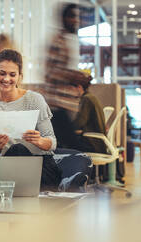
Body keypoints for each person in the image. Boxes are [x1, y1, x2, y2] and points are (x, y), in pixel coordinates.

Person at [0, 49, 91, 192]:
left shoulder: (34, 100)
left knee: (18, 150)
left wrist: (40, 141)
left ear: (20, 76)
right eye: (2, 73)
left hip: (40, 165)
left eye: (12, 75)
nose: (6, 79)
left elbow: (52, 142)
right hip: (6, 165)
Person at [43, 3, 92, 149]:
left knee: (66, 148)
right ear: (63, 18)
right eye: (72, 16)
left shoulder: (64, 41)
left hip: (62, 104)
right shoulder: (57, 41)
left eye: (77, 17)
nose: (76, 21)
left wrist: (77, 76)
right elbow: (50, 73)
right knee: (76, 148)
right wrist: (76, 77)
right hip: (56, 105)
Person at [72, 80, 107, 153]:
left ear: (79, 87)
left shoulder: (86, 99)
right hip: (97, 143)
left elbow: (80, 122)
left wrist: (66, 127)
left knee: (62, 144)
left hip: (92, 144)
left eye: (72, 89)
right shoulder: (91, 97)